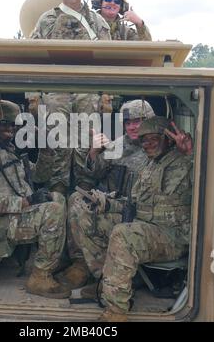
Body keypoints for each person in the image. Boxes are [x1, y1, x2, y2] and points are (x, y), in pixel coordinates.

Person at [71, 116, 192, 321]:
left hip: (173, 235)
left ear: (168, 139)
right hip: (147, 227)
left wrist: (191, 153)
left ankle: (116, 311)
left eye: (155, 138)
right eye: (144, 140)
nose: (148, 144)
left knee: (123, 235)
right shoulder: (149, 165)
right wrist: (106, 204)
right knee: (88, 219)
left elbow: (209, 177)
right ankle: (108, 284)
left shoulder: (185, 162)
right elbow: (134, 203)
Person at [0, 99, 70, 299]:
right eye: (4, 124)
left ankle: (52, 257)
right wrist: (28, 201)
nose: (10, 128)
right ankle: (40, 276)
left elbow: (40, 176)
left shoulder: (8, 152)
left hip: (11, 215)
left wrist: (46, 149)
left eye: (12, 124)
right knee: (52, 211)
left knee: (57, 197)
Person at [29, 0, 111, 195]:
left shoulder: (97, 22)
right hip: (56, 86)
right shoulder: (47, 20)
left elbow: (110, 56)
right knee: (57, 140)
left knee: (87, 137)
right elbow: (33, 56)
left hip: (89, 86)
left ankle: (84, 189)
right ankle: (57, 190)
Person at [62, 100, 155, 290]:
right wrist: (94, 152)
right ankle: (82, 263)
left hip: (142, 214)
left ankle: (107, 279)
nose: (132, 126)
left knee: (88, 216)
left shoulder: (157, 147)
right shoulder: (119, 145)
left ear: (150, 121)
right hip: (115, 206)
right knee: (75, 199)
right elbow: (96, 172)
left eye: (138, 121)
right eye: (128, 122)